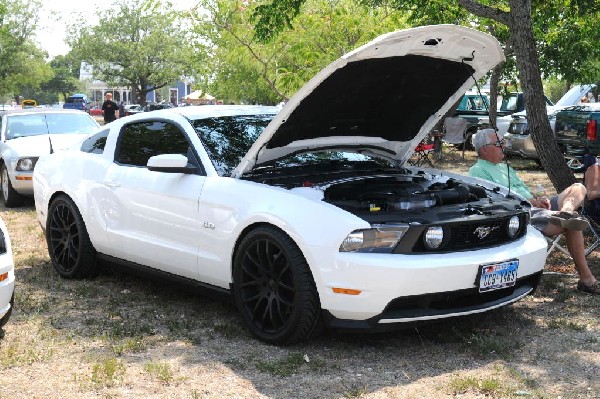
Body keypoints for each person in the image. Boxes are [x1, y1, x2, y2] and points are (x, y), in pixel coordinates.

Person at [469, 128, 599, 295]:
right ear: (484, 149)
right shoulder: (477, 171)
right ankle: (587, 280)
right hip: (522, 213)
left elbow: (524, 190)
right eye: (499, 144)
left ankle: (566, 210)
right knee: (572, 224)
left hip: (537, 207)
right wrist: (532, 202)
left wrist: (539, 198)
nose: (504, 146)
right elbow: (497, 201)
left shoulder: (505, 168)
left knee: (578, 188)